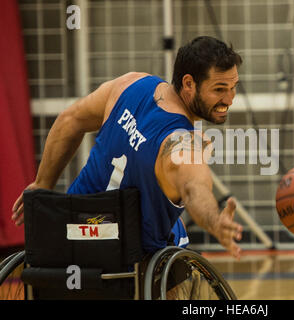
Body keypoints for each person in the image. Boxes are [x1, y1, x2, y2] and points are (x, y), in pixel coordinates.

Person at [11, 36, 243, 259]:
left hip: (73, 235)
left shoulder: (130, 84)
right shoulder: (184, 143)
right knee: (177, 235)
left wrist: (42, 184)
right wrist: (214, 221)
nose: (230, 99)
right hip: (127, 261)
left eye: (233, 87)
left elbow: (70, 120)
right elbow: (195, 189)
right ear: (189, 83)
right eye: (220, 89)